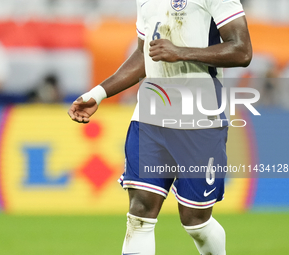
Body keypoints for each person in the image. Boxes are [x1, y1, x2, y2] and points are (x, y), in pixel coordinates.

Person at [68, 0, 252, 254]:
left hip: (199, 118)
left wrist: (181, 52)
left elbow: (242, 51)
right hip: (150, 117)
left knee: (195, 221)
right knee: (140, 213)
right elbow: (144, 55)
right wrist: (99, 93)